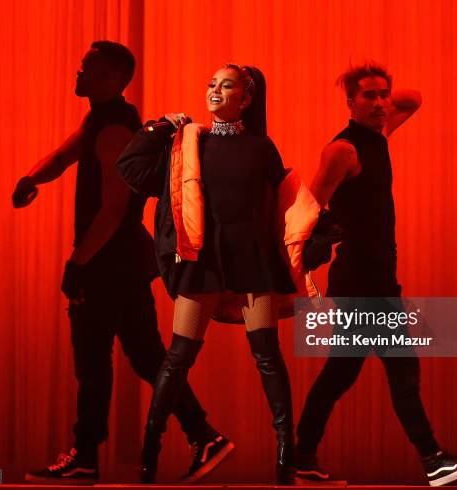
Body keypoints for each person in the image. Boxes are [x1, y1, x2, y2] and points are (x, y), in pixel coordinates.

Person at [12, 40, 230, 484]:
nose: (77, 74)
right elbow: (63, 156)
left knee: (95, 360)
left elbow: (113, 208)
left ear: (112, 78)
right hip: (125, 263)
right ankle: (203, 434)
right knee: (145, 356)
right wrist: (31, 178)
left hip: (109, 265)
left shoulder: (115, 129)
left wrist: (77, 264)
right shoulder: (103, 119)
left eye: (86, 68)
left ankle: (89, 456)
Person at [115, 64, 320, 484]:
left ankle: (286, 457)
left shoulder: (262, 147)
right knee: (177, 359)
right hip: (202, 260)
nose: (214, 91)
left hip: (251, 259)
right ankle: (149, 456)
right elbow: (130, 167)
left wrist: (313, 238)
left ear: (245, 99)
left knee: (268, 358)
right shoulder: (186, 144)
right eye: (211, 84)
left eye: (226, 86)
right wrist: (158, 127)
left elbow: (283, 204)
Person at [295, 61, 457, 487]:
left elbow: (413, 99)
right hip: (362, 280)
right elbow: (308, 209)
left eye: (384, 95)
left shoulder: (378, 136)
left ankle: (300, 458)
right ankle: (433, 459)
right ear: (349, 102)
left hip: (375, 275)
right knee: (402, 368)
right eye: (369, 95)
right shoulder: (343, 150)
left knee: (340, 373)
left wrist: (379, 97)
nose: (381, 102)